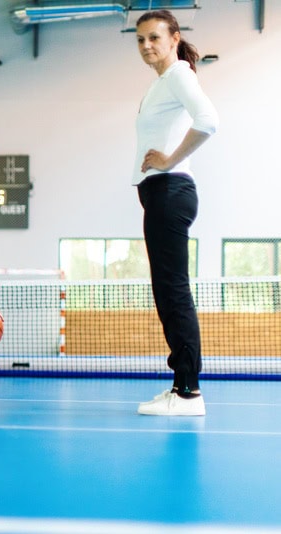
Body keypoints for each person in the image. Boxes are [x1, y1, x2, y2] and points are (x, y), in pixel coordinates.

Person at [131, 10, 218, 416]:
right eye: (141, 40)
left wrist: (168, 160)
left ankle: (188, 393)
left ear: (174, 38)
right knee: (167, 292)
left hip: (170, 189)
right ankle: (181, 386)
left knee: (174, 291)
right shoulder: (163, 82)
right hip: (160, 193)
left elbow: (209, 121)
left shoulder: (180, 74)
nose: (147, 45)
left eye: (154, 38)